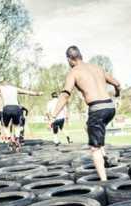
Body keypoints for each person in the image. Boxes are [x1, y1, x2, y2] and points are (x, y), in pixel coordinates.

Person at [50, 46, 121, 181]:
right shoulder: (97, 68)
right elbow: (117, 83)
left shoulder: (74, 72)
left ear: (69, 59)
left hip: (97, 109)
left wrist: (53, 115)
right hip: (110, 107)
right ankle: (104, 155)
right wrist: (117, 95)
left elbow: (65, 95)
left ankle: (104, 181)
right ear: (81, 56)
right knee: (89, 127)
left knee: (94, 148)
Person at [0, 83, 42, 151]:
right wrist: (37, 93)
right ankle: (17, 138)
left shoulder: (1, 87)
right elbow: (27, 92)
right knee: (17, 125)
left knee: (5, 126)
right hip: (16, 108)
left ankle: (9, 139)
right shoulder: (15, 88)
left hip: (7, 108)